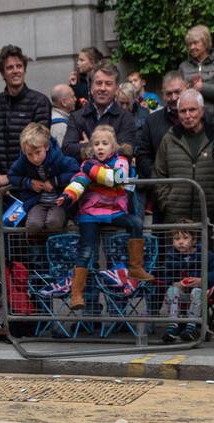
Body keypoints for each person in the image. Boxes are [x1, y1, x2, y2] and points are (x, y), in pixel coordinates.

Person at [57, 124, 153, 310]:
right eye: (96, 144)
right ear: (91, 147)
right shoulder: (86, 165)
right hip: (90, 214)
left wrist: (93, 171)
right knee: (86, 251)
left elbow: (118, 178)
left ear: (114, 146)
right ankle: (76, 293)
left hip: (114, 211)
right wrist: (68, 195)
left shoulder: (118, 161)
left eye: (105, 143)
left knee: (136, 223)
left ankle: (135, 267)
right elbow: (79, 182)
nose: (100, 147)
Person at [0, 45, 52, 193]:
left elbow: (39, 146)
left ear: (24, 70)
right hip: (0, 187)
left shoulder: (40, 102)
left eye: (19, 66)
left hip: (30, 185)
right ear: (3, 73)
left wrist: (12, 178)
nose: (15, 71)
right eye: (9, 67)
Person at [153, 89, 214, 226]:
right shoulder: (169, 139)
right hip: (175, 220)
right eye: (183, 111)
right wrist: (167, 204)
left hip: (207, 218)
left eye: (192, 110)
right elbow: (159, 175)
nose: (187, 115)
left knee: (207, 248)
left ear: (201, 111)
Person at [6, 122, 79, 241]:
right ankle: (39, 252)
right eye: (30, 154)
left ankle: (58, 243)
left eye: (38, 152)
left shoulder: (58, 158)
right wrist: (29, 183)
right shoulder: (23, 161)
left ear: (46, 147)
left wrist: (55, 181)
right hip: (36, 202)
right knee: (33, 225)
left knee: (54, 222)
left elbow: (75, 171)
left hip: (59, 202)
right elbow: (12, 175)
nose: (35, 158)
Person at [156, 224, 214, 342]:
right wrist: (175, 283)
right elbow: (164, 273)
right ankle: (173, 325)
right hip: (180, 292)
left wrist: (203, 280)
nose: (180, 242)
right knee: (172, 290)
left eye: (185, 238)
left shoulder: (205, 254)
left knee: (197, 292)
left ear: (194, 240)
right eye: (177, 239)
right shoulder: (170, 256)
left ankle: (192, 325)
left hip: (200, 292)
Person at [62, 61, 137, 159]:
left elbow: (126, 151)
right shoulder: (77, 117)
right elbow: (67, 149)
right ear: (91, 87)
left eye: (108, 84)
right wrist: (107, 145)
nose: (103, 88)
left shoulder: (126, 118)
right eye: (98, 83)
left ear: (116, 89)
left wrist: (88, 146)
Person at [135, 71, 187, 184]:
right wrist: (156, 177)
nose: (173, 98)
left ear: (186, 90)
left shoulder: (200, 117)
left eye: (178, 92)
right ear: (163, 95)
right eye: (168, 93)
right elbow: (142, 155)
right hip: (161, 187)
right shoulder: (152, 121)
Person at [180, 25, 214, 112]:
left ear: (206, 43)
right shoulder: (183, 67)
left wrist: (203, 88)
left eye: (195, 43)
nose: (192, 47)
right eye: (189, 44)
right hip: (190, 116)